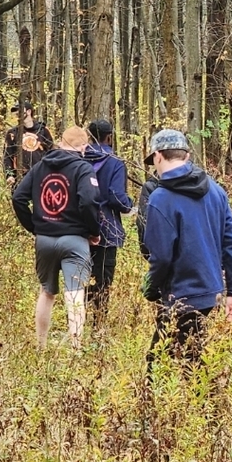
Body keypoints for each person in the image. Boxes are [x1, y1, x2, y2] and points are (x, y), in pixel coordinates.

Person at [141, 128, 232, 368]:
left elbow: (162, 257)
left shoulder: (159, 199)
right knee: (193, 359)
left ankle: (191, 404)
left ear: (157, 156)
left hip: (179, 295)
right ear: (186, 156)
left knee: (158, 367)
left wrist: (152, 287)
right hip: (212, 294)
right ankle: (205, 402)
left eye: (153, 161)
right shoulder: (216, 191)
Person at [11, 125, 100, 349]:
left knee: (46, 291)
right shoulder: (83, 168)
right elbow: (89, 201)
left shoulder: (41, 166)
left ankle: (41, 346)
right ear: (84, 147)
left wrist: (35, 227)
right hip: (75, 239)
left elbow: (18, 198)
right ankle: (76, 348)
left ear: (61, 142)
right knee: (75, 294)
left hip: (45, 239)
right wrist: (94, 231)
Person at [83, 119, 133, 323]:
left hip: (79, 228)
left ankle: (77, 323)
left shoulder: (78, 159)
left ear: (88, 136)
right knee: (103, 280)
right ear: (110, 137)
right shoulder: (115, 162)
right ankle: (99, 326)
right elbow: (116, 196)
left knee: (79, 276)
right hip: (106, 230)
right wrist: (129, 205)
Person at [4, 102, 55, 188]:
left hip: (41, 176)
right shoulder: (12, 133)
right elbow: (7, 156)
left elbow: (52, 152)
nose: (17, 113)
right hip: (20, 177)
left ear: (28, 111)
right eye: (16, 111)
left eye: (19, 110)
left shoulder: (43, 130)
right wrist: (9, 175)